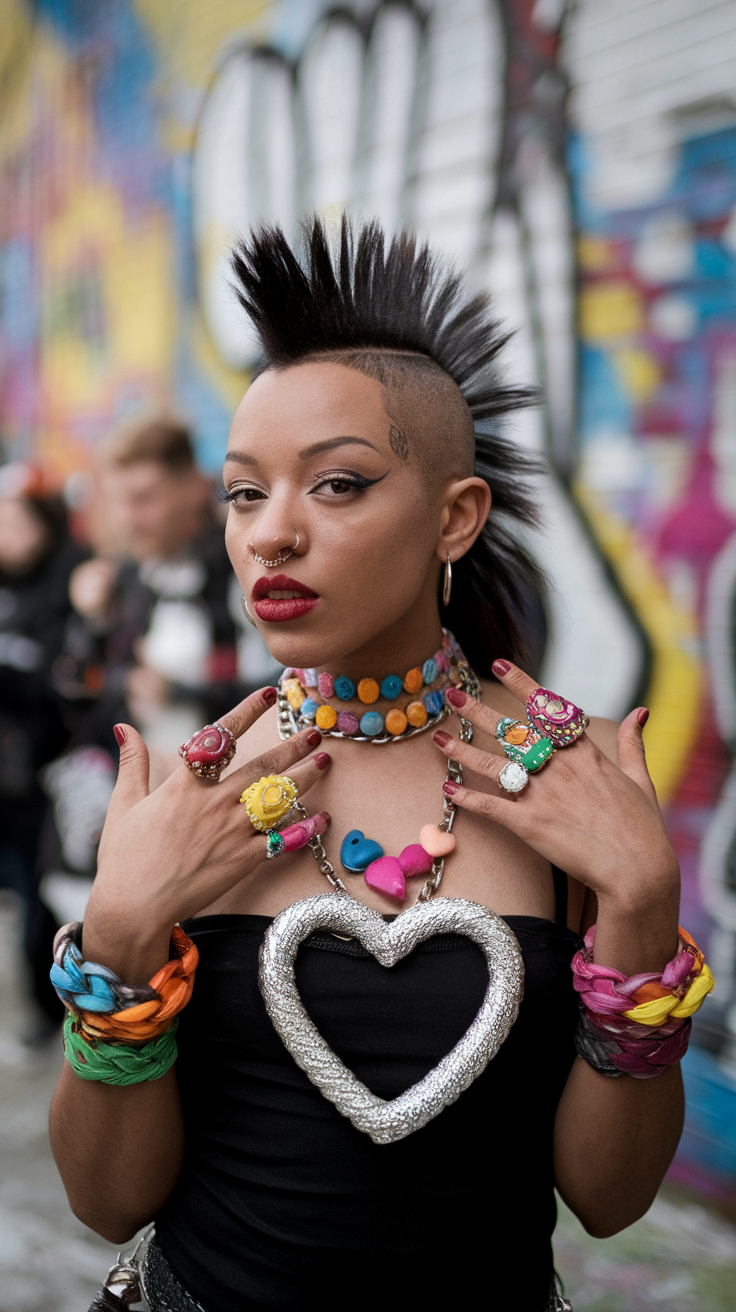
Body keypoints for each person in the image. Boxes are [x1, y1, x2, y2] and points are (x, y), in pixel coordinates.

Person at [49, 220, 711, 1312]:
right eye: (244, 492)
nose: (271, 535)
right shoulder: (185, 793)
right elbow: (107, 1200)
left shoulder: (574, 780)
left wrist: (639, 908)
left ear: (454, 517)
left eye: (338, 485)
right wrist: (119, 940)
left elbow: (609, 1195)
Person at [64, 416, 251, 772]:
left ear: (193, 488)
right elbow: (78, 701)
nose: (128, 519)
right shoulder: (128, 576)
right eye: (119, 501)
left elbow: (287, 689)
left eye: (144, 499)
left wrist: (182, 693)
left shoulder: (238, 567)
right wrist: (92, 624)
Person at [0, 487, 87, 1041]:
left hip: (53, 770)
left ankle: (56, 1004)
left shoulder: (70, 581)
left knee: (44, 898)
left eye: (16, 523)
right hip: (6, 776)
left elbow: (68, 685)